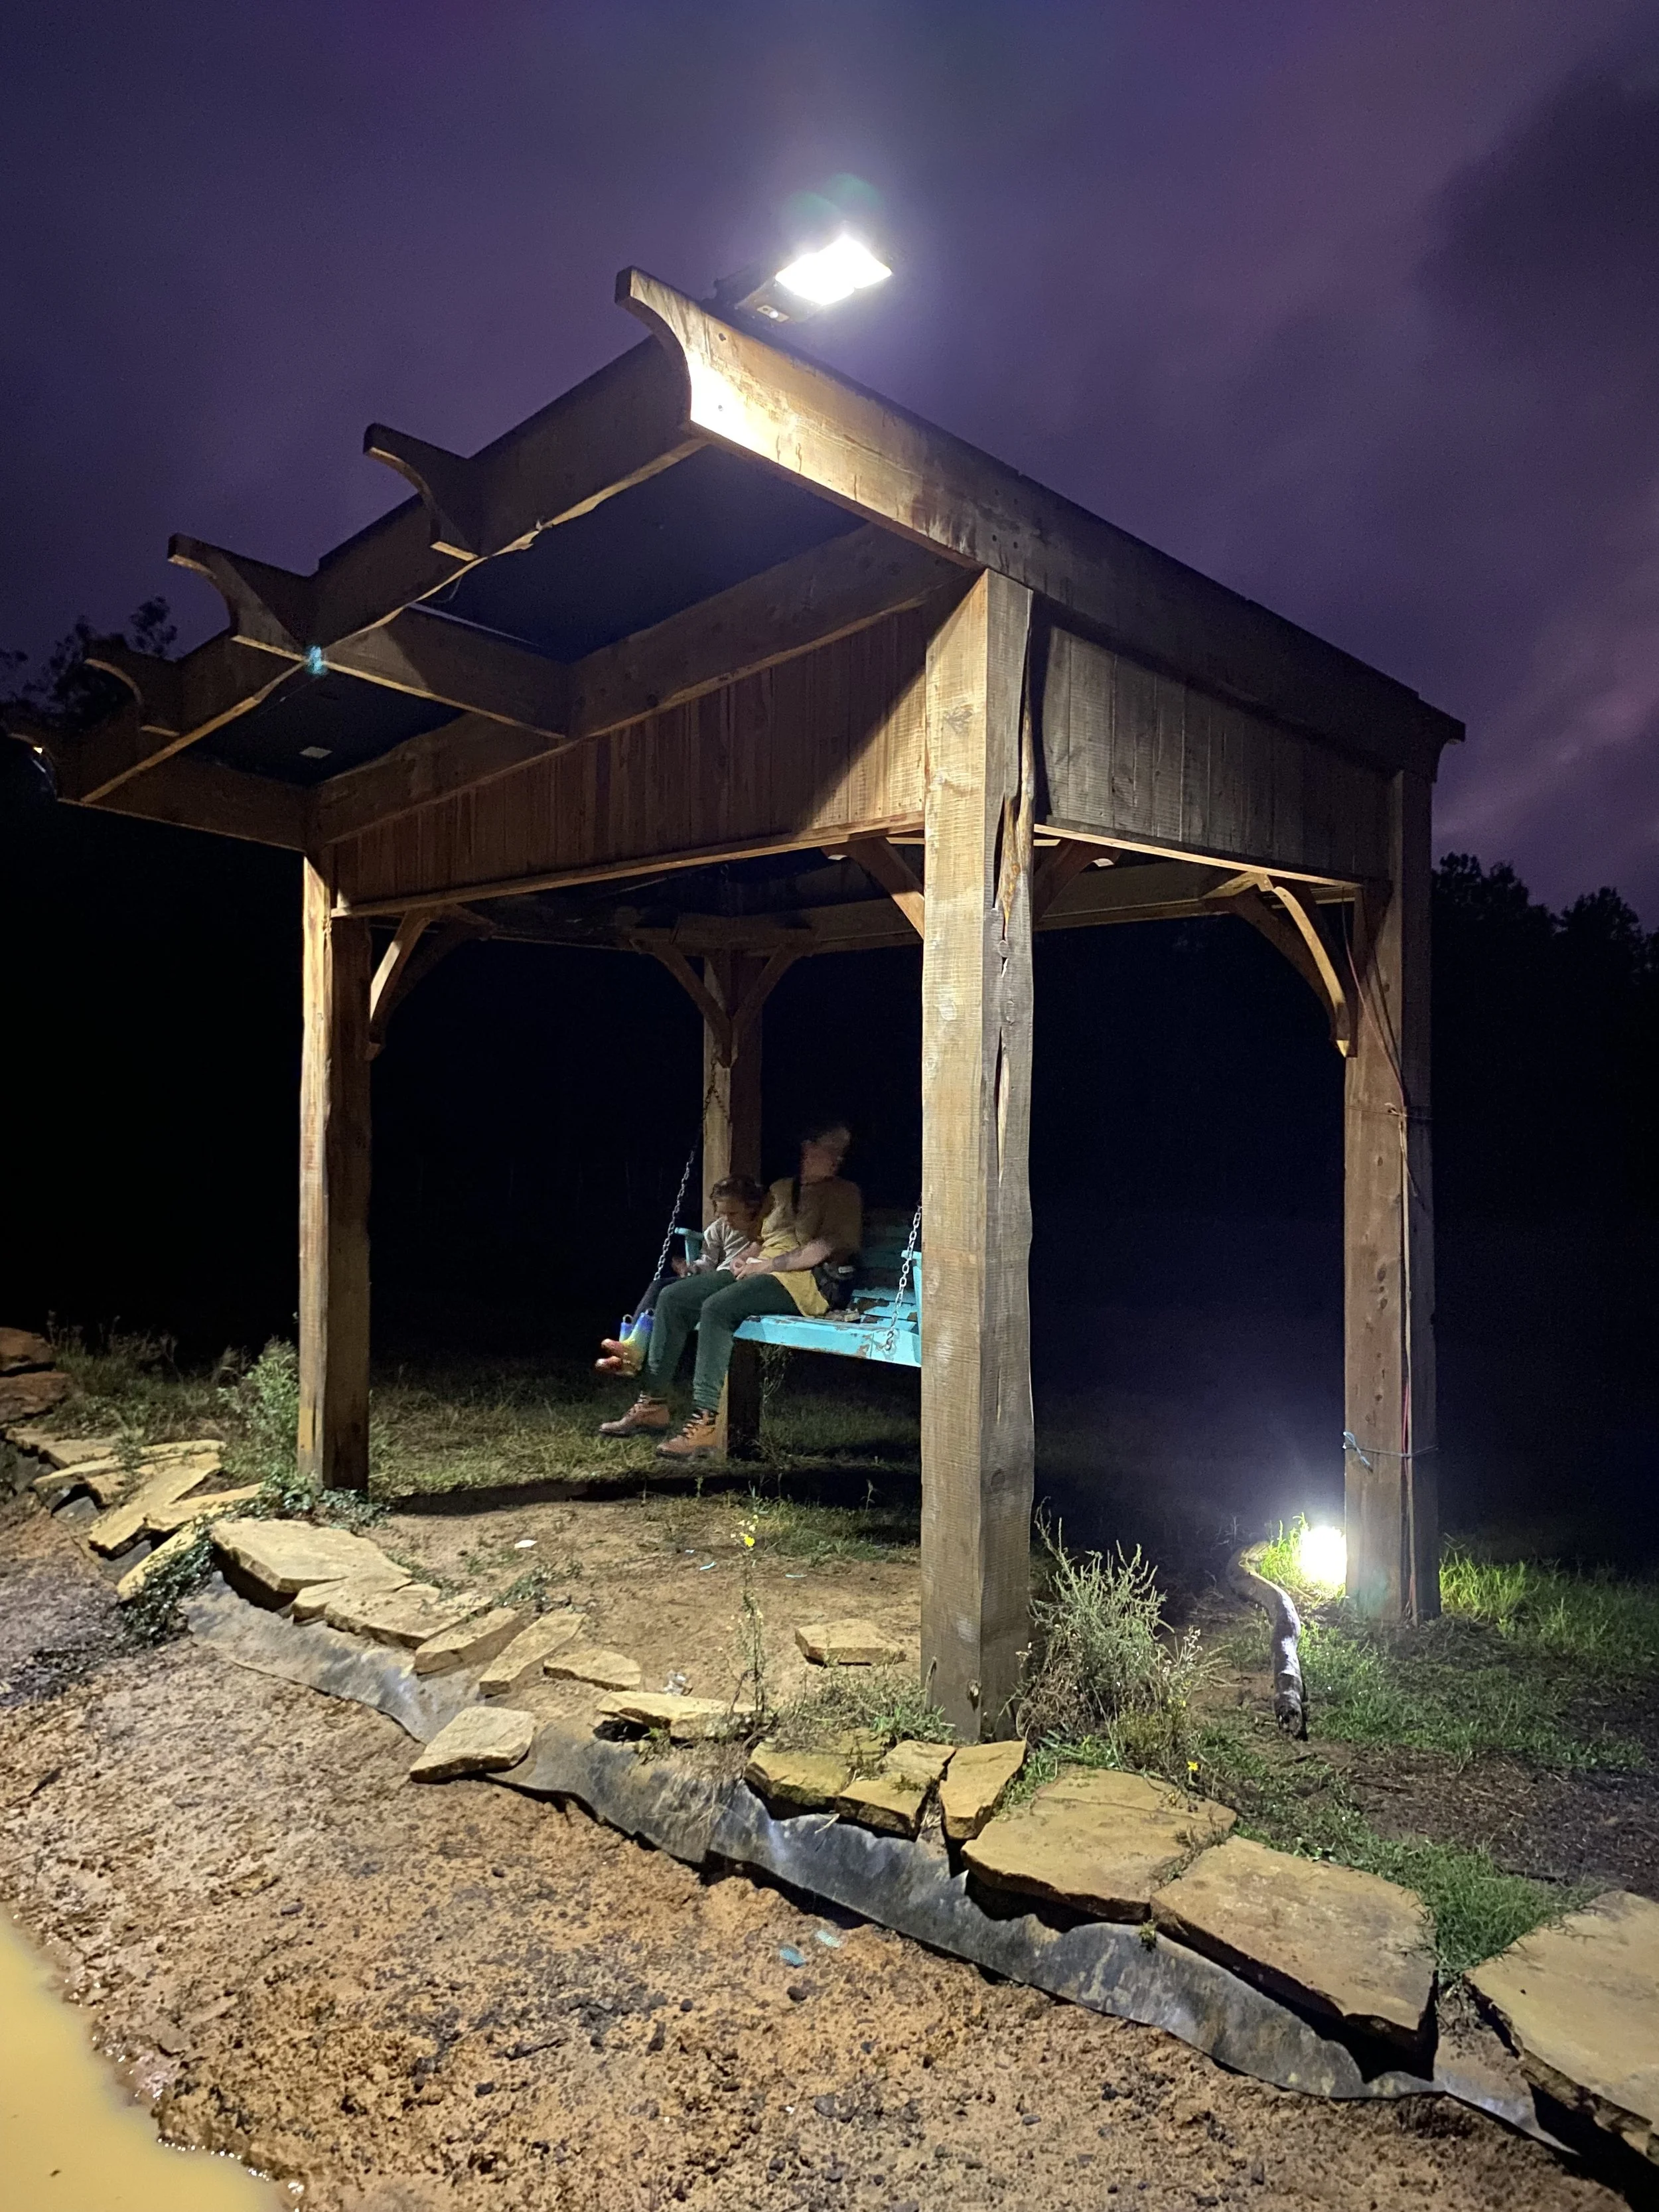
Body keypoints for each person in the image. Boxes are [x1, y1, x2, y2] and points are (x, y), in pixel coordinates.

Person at [596, 1120, 862, 1457]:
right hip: (762, 1272)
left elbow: (823, 1248)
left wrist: (767, 1264)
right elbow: (765, 1239)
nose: (839, 1159)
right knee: (673, 1296)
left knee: (717, 1308)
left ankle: (704, 1423)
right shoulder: (782, 1189)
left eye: (843, 1153)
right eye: (832, 1150)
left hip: (806, 1283)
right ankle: (652, 1404)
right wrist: (745, 1258)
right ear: (808, 1148)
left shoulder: (845, 1193)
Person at [608, 1174, 767, 1345]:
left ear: (751, 1207)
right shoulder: (718, 1229)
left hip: (737, 1281)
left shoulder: (763, 1226)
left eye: (733, 1213)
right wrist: (691, 1269)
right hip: (715, 1278)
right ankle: (630, 1341)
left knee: (672, 1297)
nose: (728, 1219)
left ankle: (638, 1346)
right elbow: (708, 1262)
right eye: (722, 1213)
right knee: (659, 1286)